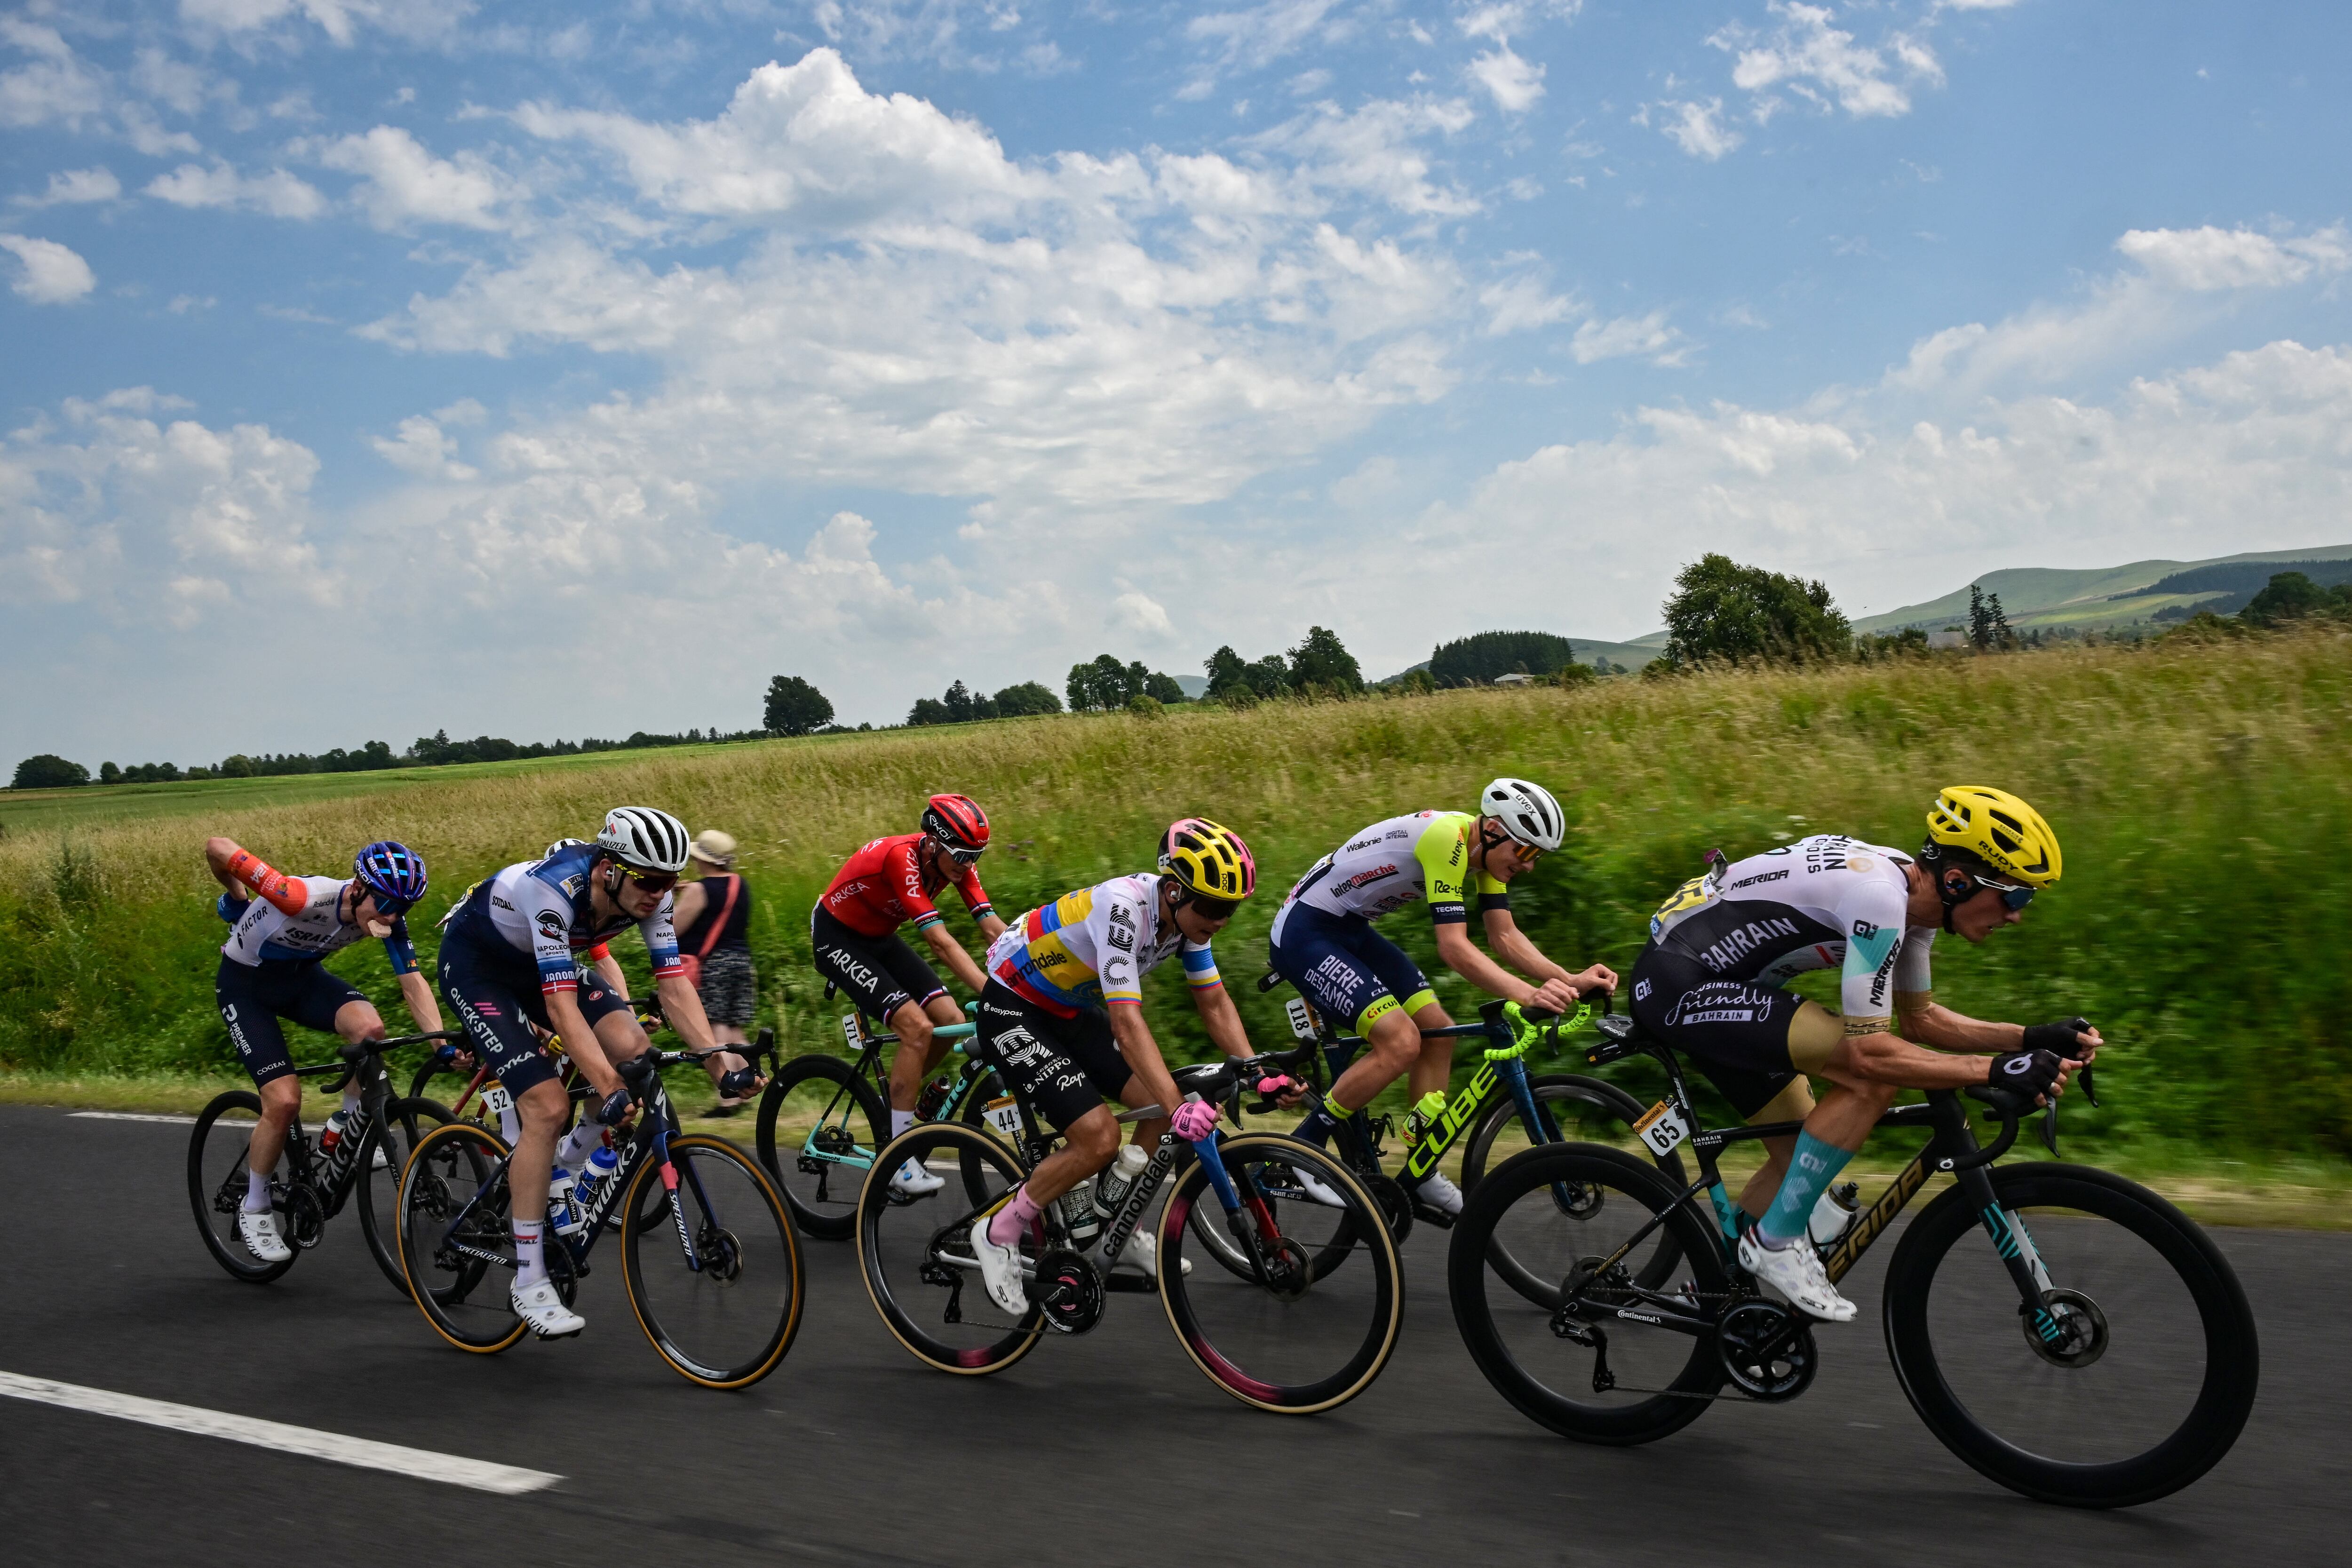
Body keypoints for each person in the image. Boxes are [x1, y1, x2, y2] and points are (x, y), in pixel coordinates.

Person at [1629, 785, 2096, 1323]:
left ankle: (1719, 1295)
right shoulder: (1878, 898)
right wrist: (1994, 1069)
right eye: (2015, 896)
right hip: (1680, 983)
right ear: (1956, 881)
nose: (2016, 915)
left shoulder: (1914, 909)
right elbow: (1870, 1052)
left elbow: (1921, 1021)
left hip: (1730, 987)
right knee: (1869, 1081)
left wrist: (2030, 1038)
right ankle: (1775, 1246)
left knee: (1799, 1156)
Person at [436, 807, 760, 1339]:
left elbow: (676, 990)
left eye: (668, 884)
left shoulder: (650, 896)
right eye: (648, 882)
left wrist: (721, 1067)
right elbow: (561, 1009)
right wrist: (606, 1087)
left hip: (539, 968)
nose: (658, 895)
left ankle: (568, 1162)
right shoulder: (554, 890)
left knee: (633, 1045)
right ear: (608, 869)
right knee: (547, 1106)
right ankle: (529, 1278)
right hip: (478, 970)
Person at [1267, 779, 1616, 1218]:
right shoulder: (1447, 840)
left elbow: (1503, 935)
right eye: (1525, 851)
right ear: (1492, 829)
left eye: (1537, 856)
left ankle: (1421, 1166)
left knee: (1439, 1032)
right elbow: (1453, 947)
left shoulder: (1486, 853)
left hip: (1349, 929)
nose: (1529, 866)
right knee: (1400, 1041)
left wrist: (1568, 980)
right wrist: (1529, 993)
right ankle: (1305, 1145)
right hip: (1306, 932)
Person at [967, 818, 1259, 1310]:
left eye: (1228, 909)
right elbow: (1126, 1024)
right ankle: (999, 1231)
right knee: (1100, 1137)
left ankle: (1112, 1224)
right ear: (1172, 891)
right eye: (1210, 907)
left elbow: (1213, 1003)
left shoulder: (1189, 923)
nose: (1219, 920)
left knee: (1155, 1110)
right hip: (1013, 1005)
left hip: (1067, 1008)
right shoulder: (1122, 910)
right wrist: (1178, 1105)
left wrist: (1254, 1070)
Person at [205, 836, 443, 1264]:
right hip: (246, 987)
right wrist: (236, 896)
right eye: (386, 903)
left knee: (369, 1028)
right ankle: (255, 1206)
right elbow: (218, 847)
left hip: (300, 980)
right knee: (284, 1101)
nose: (392, 916)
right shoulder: (299, 896)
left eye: (403, 908)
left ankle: (345, 1123)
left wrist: (441, 1044)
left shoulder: (388, 919)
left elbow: (413, 982)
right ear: (358, 887)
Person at [810, 795, 1006, 1194]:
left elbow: (993, 930)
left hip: (879, 938)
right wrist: (995, 992)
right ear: (933, 841)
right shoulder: (902, 858)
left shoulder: (957, 864)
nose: (968, 865)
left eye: (976, 855)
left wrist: (1032, 977)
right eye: (962, 854)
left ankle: (901, 1107)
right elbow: (940, 943)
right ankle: (897, 1157)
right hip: (837, 938)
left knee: (950, 1022)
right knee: (916, 1028)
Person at [670, 828, 759, 1118]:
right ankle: (755, 1080)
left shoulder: (699, 889)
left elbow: (672, 930)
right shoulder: (739, 884)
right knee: (734, 1028)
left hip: (715, 965)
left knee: (717, 1028)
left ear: (703, 859)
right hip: (742, 962)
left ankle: (730, 1097)